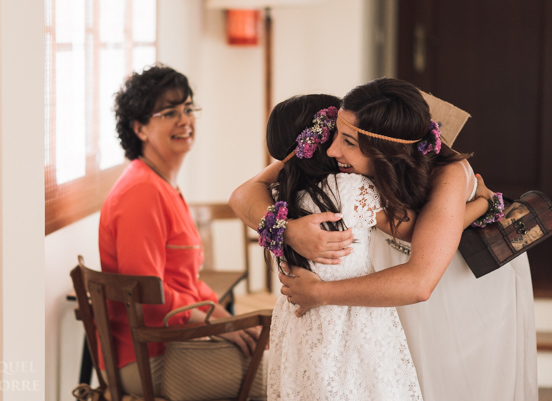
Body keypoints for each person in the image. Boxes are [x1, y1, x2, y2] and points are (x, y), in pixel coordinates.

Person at [230, 78, 538, 401]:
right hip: (391, 286)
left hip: (460, 284)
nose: (333, 149)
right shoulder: (343, 156)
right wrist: (290, 231)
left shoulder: (446, 174)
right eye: (333, 134)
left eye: (347, 141)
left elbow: (420, 280)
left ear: (385, 151)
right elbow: (242, 194)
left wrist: (320, 292)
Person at [98, 64, 260, 396]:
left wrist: (221, 317)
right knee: (290, 375)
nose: (184, 120)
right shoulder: (140, 192)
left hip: (173, 342)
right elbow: (146, 294)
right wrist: (216, 324)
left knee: (276, 352)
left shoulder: (162, 185)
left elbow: (182, 283)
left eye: (188, 108)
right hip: (150, 356)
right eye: (169, 112)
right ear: (140, 128)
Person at [260, 93, 424, 400]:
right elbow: (413, 228)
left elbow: (245, 192)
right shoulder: (351, 189)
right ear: (319, 141)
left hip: (298, 317)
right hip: (351, 314)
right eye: (335, 133)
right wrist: (479, 204)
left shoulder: (277, 193)